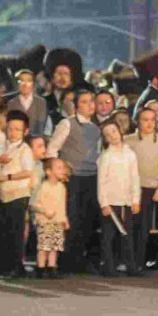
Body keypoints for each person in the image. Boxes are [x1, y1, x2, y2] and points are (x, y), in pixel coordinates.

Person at [47, 89, 104, 273]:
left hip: (91, 177)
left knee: (87, 221)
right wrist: (57, 172)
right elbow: (52, 150)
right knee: (70, 219)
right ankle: (65, 262)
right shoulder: (67, 124)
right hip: (72, 178)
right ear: (77, 105)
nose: (90, 105)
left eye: (92, 102)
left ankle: (80, 260)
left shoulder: (96, 129)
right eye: (85, 101)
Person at [0, 111, 36, 277]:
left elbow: (28, 172)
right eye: (10, 128)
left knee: (16, 232)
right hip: (3, 193)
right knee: (3, 232)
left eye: (17, 129)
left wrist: (7, 177)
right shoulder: (3, 146)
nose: (12, 132)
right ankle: (3, 265)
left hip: (18, 194)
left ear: (25, 132)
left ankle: (17, 266)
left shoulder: (25, 149)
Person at [93, 120, 141, 276]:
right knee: (108, 237)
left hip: (126, 202)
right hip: (110, 203)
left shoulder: (130, 154)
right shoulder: (106, 157)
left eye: (113, 131)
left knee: (127, 236)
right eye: (107, 135)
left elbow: (135, 178)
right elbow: (101, 182)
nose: (112, 136)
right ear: (105, 139)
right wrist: (104, 203)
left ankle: (131, 267)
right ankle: (109, 267)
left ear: (120, 131)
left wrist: (135, 199)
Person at [128, 105, 158, 273]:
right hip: (131, 189)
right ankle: (129, 261)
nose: (149, 123)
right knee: (130, 226)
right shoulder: (128, 140)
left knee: (144, 227)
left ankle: (140, 261)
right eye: (145, 120)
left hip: (150, 188)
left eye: (152, 120)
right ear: (138, 121)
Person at [30, 158, 71, 278]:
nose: (62, 170)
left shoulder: (62, 187)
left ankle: (52, 267)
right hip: (44, 221)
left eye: (62, 167)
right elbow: (33, 204)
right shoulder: (43, 186)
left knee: (55, 246)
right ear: (48, 171)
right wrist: (44, 211)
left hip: (58, 222)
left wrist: (65, 219)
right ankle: (41, 268)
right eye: (58, 168)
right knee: (43, 246)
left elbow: (62, 205)